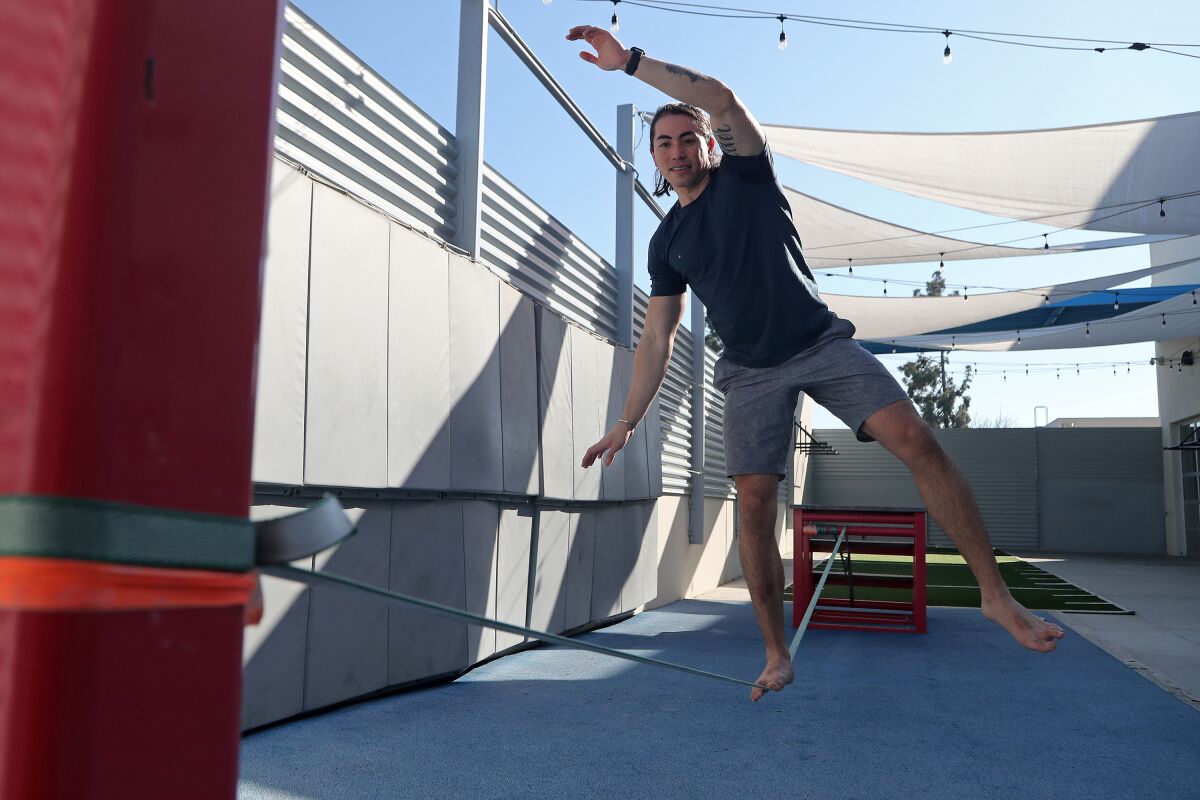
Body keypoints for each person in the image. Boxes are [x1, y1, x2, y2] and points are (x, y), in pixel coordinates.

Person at [568, 25, 1065, 702]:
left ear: (709, 144)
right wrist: (627, 420)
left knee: (918, 441)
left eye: (688, 138)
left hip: (821, 343)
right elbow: (656, 338)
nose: (678, 150)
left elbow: (720, 95)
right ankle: (776, 654)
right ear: (654, 157)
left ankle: (995, 596)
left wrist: (628, 62)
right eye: (665, 143)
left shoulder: (746, 173)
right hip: (748, 371)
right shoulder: (667, 242)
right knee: (752, 503)